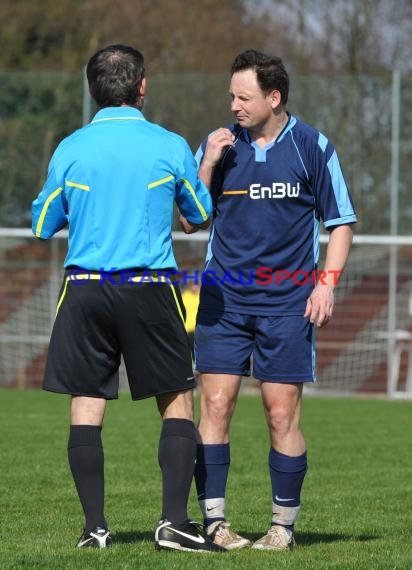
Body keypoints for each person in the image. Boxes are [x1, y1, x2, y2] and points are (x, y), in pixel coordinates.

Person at [31, 44, 225, 553]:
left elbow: (42, 222)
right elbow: (198, 213)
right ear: (142, 87)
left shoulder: (71, 148)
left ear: (94, 90)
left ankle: (95, 528)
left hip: (85, 290)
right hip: (148, 287)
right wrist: (207, 161)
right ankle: (174, 525)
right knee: (178, 399)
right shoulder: (168, 144)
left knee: (87, 404)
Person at [191, 49, 357, 551]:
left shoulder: (312, 146)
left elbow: (341, 222)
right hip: (222, 301)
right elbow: (191, 220)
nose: (235, 105)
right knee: (215, 405)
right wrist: (207, 164)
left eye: (244, 96)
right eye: (231, 96)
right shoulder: (219, 146)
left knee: (280, 414)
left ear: (273, 97)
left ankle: (282, 527)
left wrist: (326, 281)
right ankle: (214, 523)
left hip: (287, 304)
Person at [181, 281, 201, 355]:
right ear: (190, 286)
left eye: (197, 286)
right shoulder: (185, 297)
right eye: (194, 286)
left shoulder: (201, 296)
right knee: (192, 349)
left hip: (201, 328)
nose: (196, 287)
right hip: (190, 329)